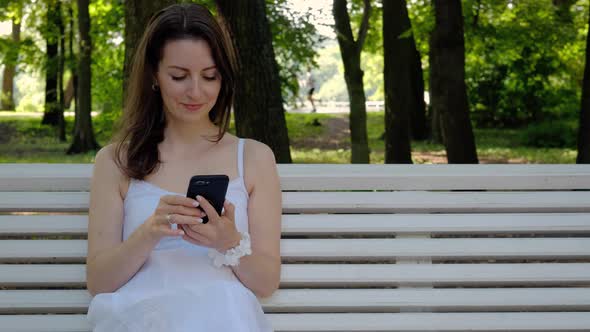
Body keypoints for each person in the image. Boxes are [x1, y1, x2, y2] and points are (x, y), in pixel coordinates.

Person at [85, 4, 281, 331]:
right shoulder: (115, 161)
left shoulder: (254, 158)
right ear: (154, 76)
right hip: (138, 317)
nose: (195, 91)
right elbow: (99, 282)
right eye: (178, 76)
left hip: (222, 317)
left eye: (210, 76)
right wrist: (148, 233)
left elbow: (265, 283)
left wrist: (228, 241)